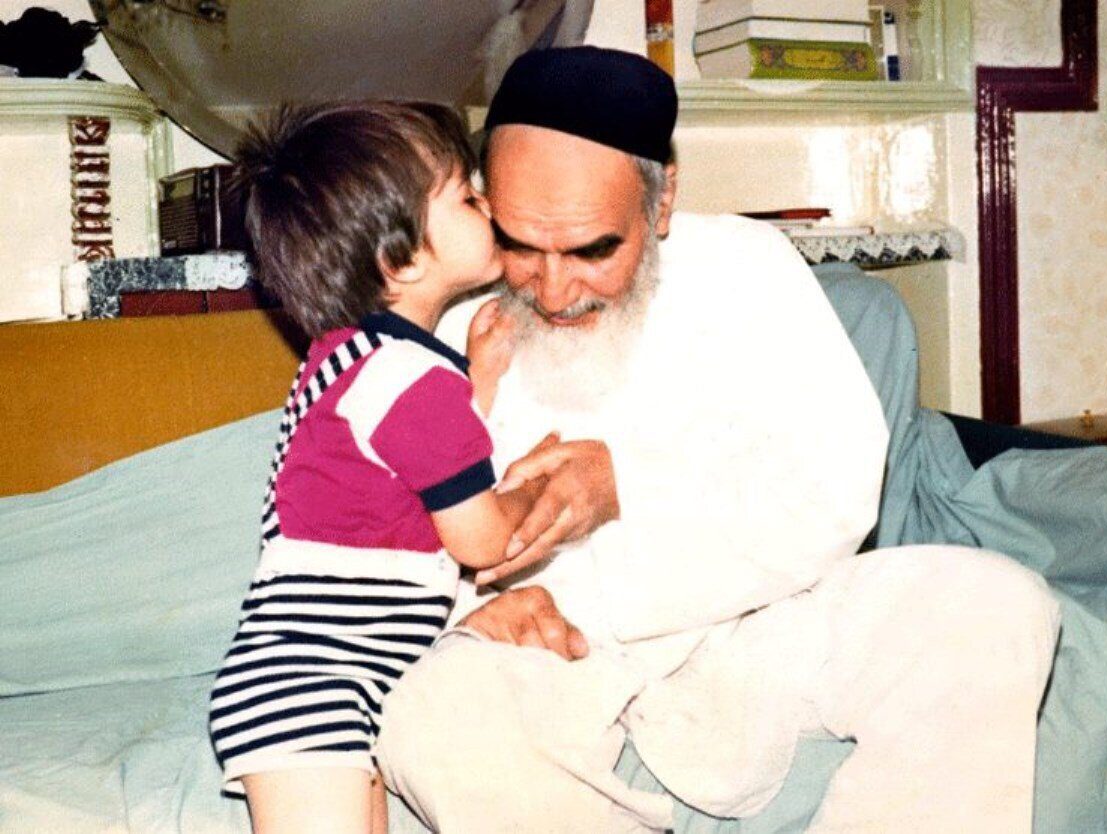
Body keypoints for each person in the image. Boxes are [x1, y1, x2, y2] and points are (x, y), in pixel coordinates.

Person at [374, 47, 1062, 834]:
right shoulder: (449, 319)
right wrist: (466, 615)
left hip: (756, 626)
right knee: (428, 717)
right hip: (554, 655)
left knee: (992, 605)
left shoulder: (745, 267)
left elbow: (837, 492)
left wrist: (627, 488)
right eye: (521, 245)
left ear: (661, 204)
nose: (553, 290)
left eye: (593, 250)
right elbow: (369, 542)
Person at [206, 101, 552, 834]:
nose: (490, 204)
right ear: (401, 260)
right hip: (311, 687)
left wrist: (479, 380)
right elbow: (481, 540)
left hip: (345, 681)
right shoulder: (408, 382)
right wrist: (532, 493)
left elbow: (410, 474)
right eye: (466, 197)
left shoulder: (359, 360)